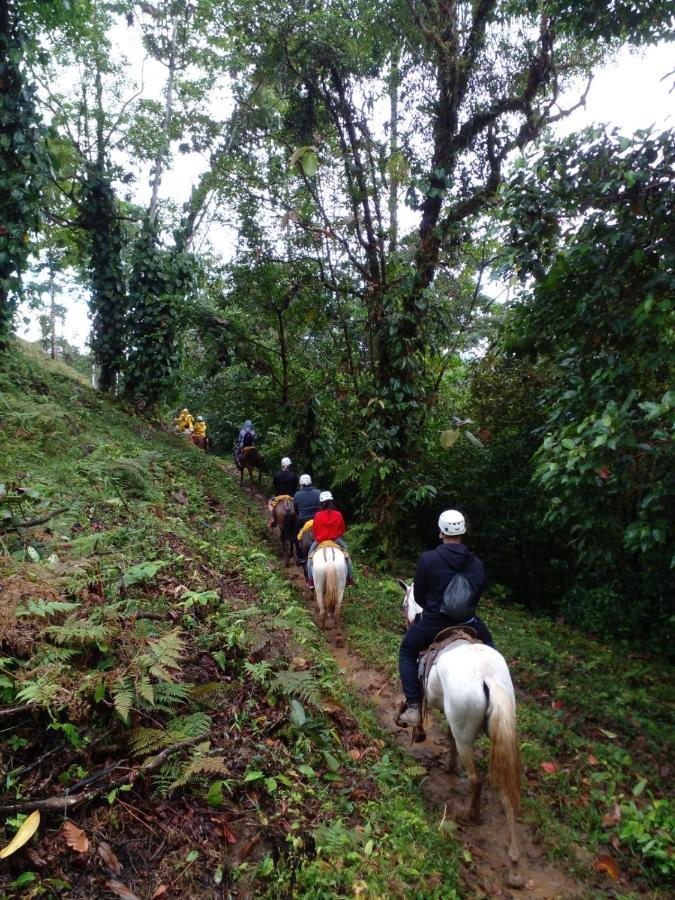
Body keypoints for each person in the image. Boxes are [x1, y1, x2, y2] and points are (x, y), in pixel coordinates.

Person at [397, 509, 494, 727]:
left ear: (441, 532)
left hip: (435, 623)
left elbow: (419, 596)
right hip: (469, 622)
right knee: (491, 648)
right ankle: (496, 697)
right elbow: (477, 594)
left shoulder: (428, 559)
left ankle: (413, 707)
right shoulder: (476, 563)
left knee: (407, 651)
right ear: (464, 531)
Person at [305, 491, 354, 589]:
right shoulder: (338, 514)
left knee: (310, 558)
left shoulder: (318, 515)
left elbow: (315, 531)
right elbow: (342, 530)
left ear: (321, 503)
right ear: (332, 501)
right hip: (336, 540)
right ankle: (349, 579)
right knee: (347, 556)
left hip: (320, 541)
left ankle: (310, 581)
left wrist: (319, 537)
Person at [293, 474, 321, 563]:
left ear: (301, 484)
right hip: (317, 518)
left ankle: (300, 555)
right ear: (310, 482)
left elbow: (296, 509)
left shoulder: (297, 494)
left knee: (295, 536)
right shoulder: (318, 492)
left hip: (303, 519)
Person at [268, 458, 299, 526]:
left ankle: (273, 518)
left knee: (270, 503)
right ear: (289, 466)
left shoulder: (276, 475)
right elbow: (295, 487)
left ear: (282, 465)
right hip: (291, 497)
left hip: (279, 497)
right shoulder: (294, 475)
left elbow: (275, 486)